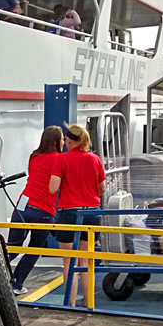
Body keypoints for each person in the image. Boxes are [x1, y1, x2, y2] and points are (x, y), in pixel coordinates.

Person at [49, 124, 106, 307]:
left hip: (69, 213)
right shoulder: (95, 159)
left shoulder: (62, 159)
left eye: (66, 140)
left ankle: (70, 303)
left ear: (70, 141)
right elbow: (102, 188)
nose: (64, 142)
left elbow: (53, 188)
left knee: (69, 262)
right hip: (92, 213)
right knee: (86, 260)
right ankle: (89, 302)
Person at [7, 126, 63, 295]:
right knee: (35, 248)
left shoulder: (34, 156)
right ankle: (17, 284)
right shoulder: (59, 160)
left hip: (22, 207)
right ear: (56, 141)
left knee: (13, 248)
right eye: (61, 139)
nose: (63, 142)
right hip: (44, 211)